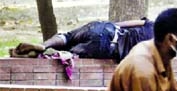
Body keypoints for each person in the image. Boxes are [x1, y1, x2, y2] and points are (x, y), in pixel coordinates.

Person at [10, 18, 155, 62]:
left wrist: (105, 26)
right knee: (69, 52)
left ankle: (43, 45)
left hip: (106, 29)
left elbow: (124, 24)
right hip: (107, 48)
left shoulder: (152, 24)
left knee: (67, 37)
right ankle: (40, 52)